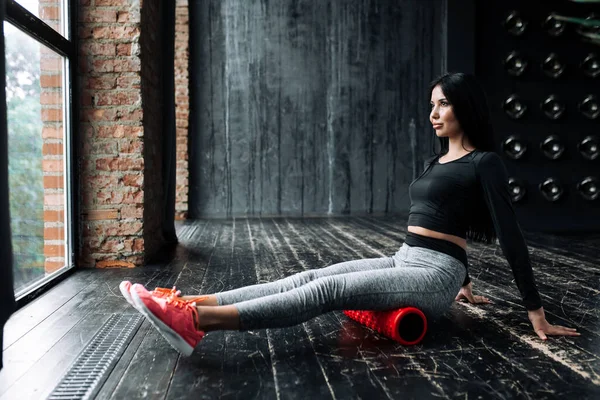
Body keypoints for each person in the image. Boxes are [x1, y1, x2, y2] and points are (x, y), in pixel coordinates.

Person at [119, 72, 580, 357]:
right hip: (407, 260)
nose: (433, 113)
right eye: (431, 104)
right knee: (310, 275)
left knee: (332, 289)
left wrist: (534, 312)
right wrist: (468, 284)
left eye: (442, 102)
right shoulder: (435, 162)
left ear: (467, 106)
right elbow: (450, 218)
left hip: (433, 276)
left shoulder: (486, 163)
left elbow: (509, 234)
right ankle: (188, 305)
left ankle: (195, 326)